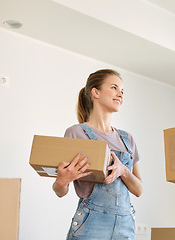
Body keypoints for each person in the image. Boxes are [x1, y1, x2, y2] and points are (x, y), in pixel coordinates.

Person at [52, 69, 142, 240]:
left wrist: (123, 171)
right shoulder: (75, 133)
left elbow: (139, 190)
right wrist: (62, 181)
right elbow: (60, 191)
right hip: (90, 225)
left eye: (122, 91)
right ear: (95, 92)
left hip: (125, 227)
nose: (120, 94)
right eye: (114, 88)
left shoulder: (127, 139)